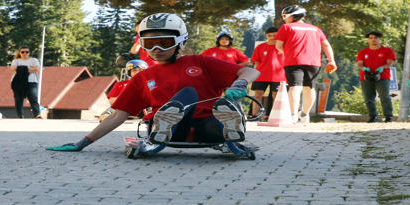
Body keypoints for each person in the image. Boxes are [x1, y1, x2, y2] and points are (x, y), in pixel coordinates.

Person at [46, 13, 260, 155]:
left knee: (213, 122)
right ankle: (165, 123)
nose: (156, 48)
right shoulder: (142, 77)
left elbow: (250, 70)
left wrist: (241, 83)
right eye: (149, 43)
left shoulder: (200, 62)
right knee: (188, 94)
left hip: (206, 129)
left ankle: (231, 128)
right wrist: (83, 142)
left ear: (180, 41)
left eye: (164, 42)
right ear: (142, 45)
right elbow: (118, 114)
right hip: (170, 131)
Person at [274, 5, 337, 124]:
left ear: (293, 16)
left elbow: (278, 45)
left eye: (285, 16)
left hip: (293, 61)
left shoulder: (286, 27)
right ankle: (305, 114)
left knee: (294, 87)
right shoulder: (316, 29)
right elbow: (326, 45)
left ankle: (293, 115)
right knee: (310, 88)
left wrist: (287, 52)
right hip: (314, 62)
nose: (284, 19)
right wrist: (331, 60)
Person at [356, 31, 396, 123]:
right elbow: (359, 64)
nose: (373, 40)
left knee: (384, 96)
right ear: (368, 40)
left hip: (382, 77)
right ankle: (373, 116)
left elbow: (390, 63)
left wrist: (382, 67)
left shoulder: (387, 51)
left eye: (375, 38)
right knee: (368, 97)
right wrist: (364, 68)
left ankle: (388, 116)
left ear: (379, 39)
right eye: (371, 38)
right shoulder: (363, 52)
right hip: (366, 77)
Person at [250, 27, 286, 118]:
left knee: (276, 96)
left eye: (274, 35)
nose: (272, 37)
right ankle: (254, 115)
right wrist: (254, 75)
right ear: (266, 36)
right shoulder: (260, 47)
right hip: (261, 75)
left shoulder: (284, 47)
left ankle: (274, 116)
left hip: (278, 75)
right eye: (270, 35)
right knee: (258, 95)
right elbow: (256, 62)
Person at [10, 46, 41, 118]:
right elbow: (13, 68)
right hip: (18, 82)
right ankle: (20, 114)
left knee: (33, 98)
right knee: (18, 99)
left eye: (26, 52)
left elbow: (36, 68)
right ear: (19, 53)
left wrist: (21, 68)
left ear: (29, 53)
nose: (25, 53)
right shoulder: (16, 61)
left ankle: (37, 114)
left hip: (31, 81)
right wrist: (29, 68)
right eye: (22, 52)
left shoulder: (34, 60)